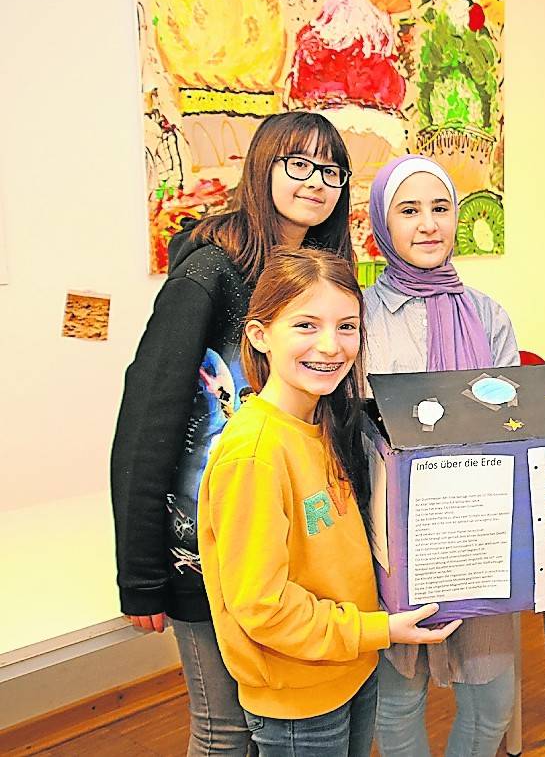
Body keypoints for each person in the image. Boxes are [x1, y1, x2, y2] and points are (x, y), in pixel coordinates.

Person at [110, 111, 357, 755]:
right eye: (298, 165)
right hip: (202, 542)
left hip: (280, 538)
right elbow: (148, 415)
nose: (316, 182)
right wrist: (140, 573)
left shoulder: (317, 270)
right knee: (223, 731)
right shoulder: (212, 270)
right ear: (262, 167)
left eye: (330, 169)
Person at [198, 248, 460, 755]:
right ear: (259, 334)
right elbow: (263, 607)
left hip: (353, 665)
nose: (330, 345)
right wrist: (378, 628)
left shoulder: (323, 422)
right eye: (306, 324)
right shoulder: (254, 453)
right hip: (300, 697)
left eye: (347, 326)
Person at [363, 155, 520, 757]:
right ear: (382, 222)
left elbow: (512, 420)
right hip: (392, 542)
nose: (428, 224)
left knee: (492, 703)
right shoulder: (360, 316)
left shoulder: (486, 314)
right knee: (398, 704)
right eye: (409, 211)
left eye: (440, 208)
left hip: (478, 536)